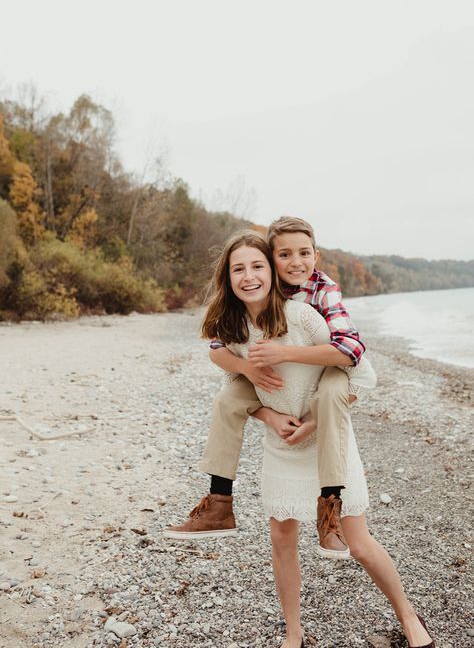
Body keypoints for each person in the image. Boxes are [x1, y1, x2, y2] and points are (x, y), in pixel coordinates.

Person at [169, 231, 435, 648]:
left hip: (328, 439)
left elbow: (361, 373)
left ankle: (408, 616)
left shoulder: (303, 316)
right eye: (239, 268)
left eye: (257, 266)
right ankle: (293, 633)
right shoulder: (233, 326)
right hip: (282, 446)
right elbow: (236, 388)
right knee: (281, 538)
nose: (249, 276)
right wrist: (271, 417)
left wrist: (313, 419)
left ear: (273, 274)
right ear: (228, 276)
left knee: (360, 544)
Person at [165, 216, 376, 558]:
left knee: (332, 392)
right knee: (227, 399)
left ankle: (330, 506)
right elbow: (217, 351)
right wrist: (248, 369)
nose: (296, 263)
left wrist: (286, 353)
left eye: (304, 254)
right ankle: (219, 503)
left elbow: (352, 354)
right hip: (280, 386)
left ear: (315, 256)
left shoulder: (317, 294)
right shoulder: (252, 302)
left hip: (330, 369)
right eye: (285, 255)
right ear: (274, 262)